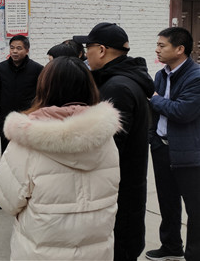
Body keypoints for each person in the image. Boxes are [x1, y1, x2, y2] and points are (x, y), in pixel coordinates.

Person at [0, 56, 121, 260]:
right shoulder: (105, 137)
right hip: (96, 252)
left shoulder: (27, 140)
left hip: (41, 252)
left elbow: (7, 200)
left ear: (44, 88)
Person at [74, 22, 154, 261]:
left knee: (120, 248)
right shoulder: (120, 81)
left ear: (101, 50)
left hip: (119, 193)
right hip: (124, 188)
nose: (85, 54)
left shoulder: (117, 88)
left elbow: (107, 150)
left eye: (87, 48)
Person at [146, 27, 200, 261]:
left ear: (180, 49)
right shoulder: (161, 75)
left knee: (195, 208)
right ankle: (171, 246)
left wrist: (155, 99)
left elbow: (183, 111)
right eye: (157, 45)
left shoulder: (196, 77)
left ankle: (194, 255)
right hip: (162, 147)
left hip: (188, 152)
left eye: (162, 45)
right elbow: (154, 110)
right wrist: (153, 138)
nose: (157, 50)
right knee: (167, 202)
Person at [0, 35, 43, 154]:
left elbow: (41, 95)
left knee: (26, 152)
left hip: (27, 117)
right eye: (12, 48)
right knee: (6, 152)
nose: (14, 51)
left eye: (19, 48)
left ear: (27, 50)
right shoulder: (2, 67)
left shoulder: (37, 69)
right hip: (6, 117)